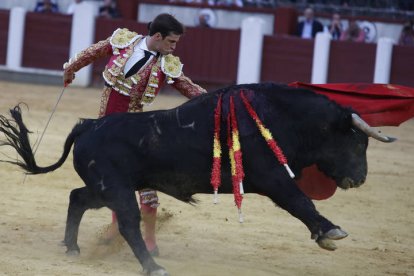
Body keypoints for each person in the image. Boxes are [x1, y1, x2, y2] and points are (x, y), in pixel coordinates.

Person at [63, 13, 207, 256]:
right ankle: (117, 225)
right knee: (112, 179)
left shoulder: (166, 64)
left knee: (147, 179)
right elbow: (92, 52)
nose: (174, 48)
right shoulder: (123, 40)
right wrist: (70, 69)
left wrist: (218, 102)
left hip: (134, 129)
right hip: (105, 126)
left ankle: (149, 240)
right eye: (171, 42)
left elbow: (189, 88)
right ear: (158, 36)